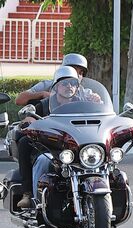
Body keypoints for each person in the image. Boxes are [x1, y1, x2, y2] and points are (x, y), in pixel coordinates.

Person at [16, 66, 84, 208]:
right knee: (27, 145)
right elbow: (27, 120)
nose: (69, 87)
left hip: (76, 146)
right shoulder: (45, 104)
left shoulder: (83, 104)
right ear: (56, 87)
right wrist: (30, 122)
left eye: (73, 83)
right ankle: (28, 194)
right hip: (51, 146)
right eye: (64, 83)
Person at [15, 53, 89, 107]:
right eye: (74, 70)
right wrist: (42, 94)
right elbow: (19, 100)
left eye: (81, 73)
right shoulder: (47, 85)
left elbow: (97, 107)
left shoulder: (83, 91)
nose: (78, 75)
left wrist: (95, 99)